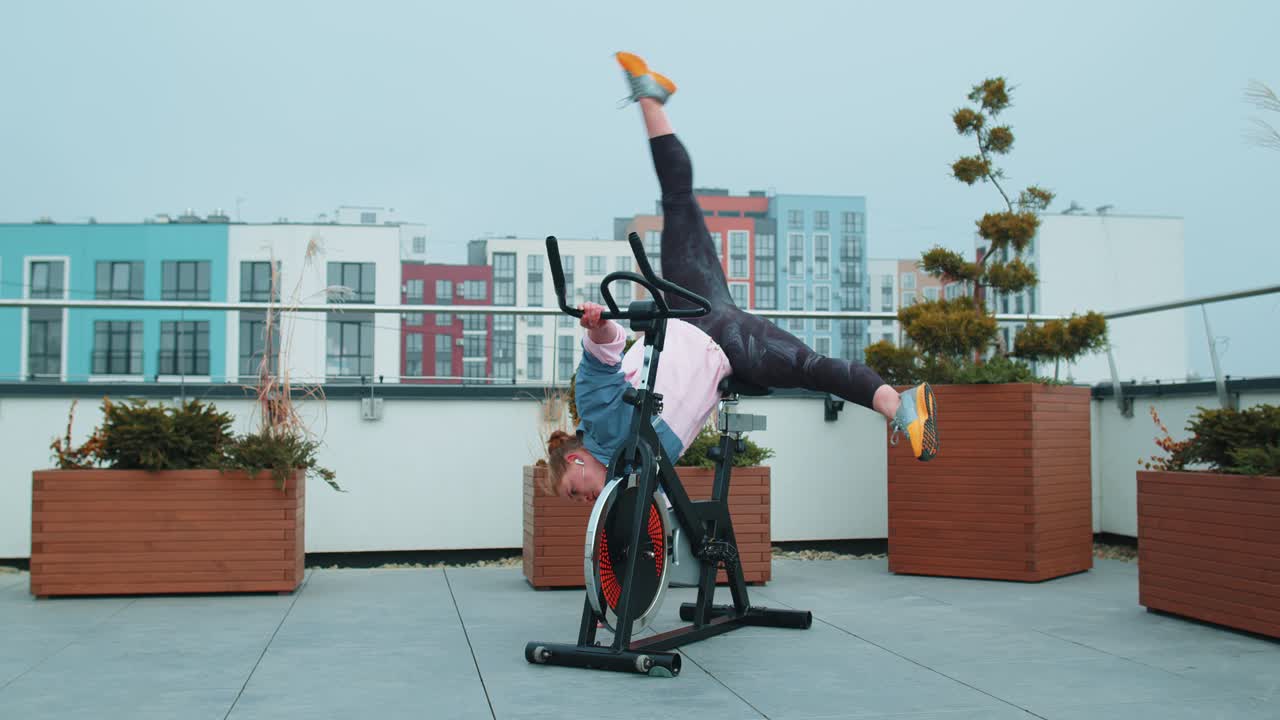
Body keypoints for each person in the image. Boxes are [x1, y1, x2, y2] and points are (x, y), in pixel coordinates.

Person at [545, 52, 938, 503]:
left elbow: (603, 352)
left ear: (577, 460)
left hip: (697, 317)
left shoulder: (594, 414)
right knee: (810, 371)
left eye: (575, 492)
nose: (584, 500)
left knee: (677, 200)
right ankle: (651, 96)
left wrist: (599, 323)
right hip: (726, 357)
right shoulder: (629, 472)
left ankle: (902, 406)